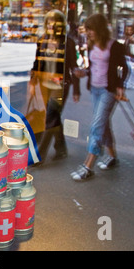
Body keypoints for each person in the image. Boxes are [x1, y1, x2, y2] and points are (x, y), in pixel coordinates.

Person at [70, 13, 128, 181]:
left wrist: (120, 86)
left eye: (91, 29)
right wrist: (84, 72)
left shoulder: (114, 46)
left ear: (99, 29)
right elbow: (94, 67)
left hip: (107, 91)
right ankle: (112, 156)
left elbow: (124, 68)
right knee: (103, 123)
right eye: (87, 29)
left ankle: (88, 166)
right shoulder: (92, 45)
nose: (88, 32)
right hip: (95, 89)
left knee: (96, 126)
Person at [27, 10, 80, 163]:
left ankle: (39, 155)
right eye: (49, 21)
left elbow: (73, 67)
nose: (51, 25)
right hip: (44, 83)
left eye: (55, 22)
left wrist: (76, 90)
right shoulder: (42, 39)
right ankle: (61, 148)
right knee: (52, 117)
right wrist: (32, 81)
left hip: (60, 85)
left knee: (50, 117)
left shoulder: (68, 42)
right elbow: (37, 63)